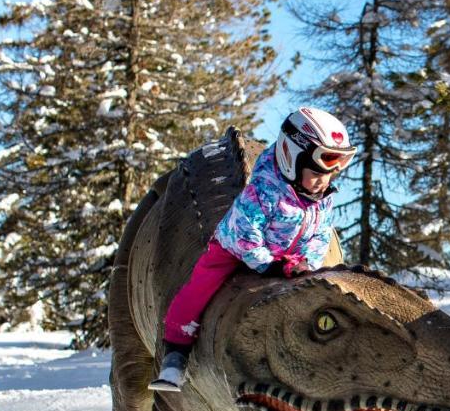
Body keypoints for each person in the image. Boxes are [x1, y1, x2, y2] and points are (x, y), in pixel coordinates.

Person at [149, 106, 356, 391]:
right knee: (202, 285)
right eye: (317, 173)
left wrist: (307, 263)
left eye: (330, 176)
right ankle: (175, 352)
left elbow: (319, 235)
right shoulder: (263, 190)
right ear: (291, 159)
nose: (324, 182)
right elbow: (245, 235)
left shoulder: (322, 198)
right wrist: (269, 265)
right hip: (237, 249)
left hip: (286, 255)